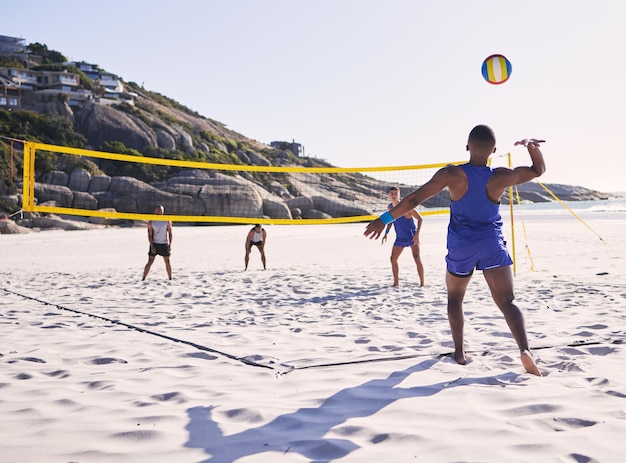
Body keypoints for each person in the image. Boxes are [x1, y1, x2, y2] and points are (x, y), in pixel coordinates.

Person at [364, 125, 545, 376]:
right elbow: (538, 170)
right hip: (491, 242)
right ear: (493, 151)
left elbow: (414, 199)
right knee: (507, 301)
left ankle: (459, 353)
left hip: (462, 245)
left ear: (467, 147)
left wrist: (384, 219)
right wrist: (532, 148)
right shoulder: (500, 175)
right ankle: (525, 350)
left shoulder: (452, 174)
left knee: (455, 298)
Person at [381, 186, 425, 287]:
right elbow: (390, 220)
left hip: (411, 236)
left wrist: (417, 235)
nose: (393, 195)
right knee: (393, 259)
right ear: (389, 195)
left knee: (416, 258)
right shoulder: (390, 207)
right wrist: (386, 233)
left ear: (399, 195)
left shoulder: (406, 206)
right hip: (400, 237)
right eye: (392, 193)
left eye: (396, 193)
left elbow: (420, 219)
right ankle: (396, 283)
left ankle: (422, 284)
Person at [142, 205, 173, 280]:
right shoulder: (151, 222)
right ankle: (143, 278)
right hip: (155, 244)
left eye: (161, 210)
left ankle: (170, 278)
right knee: (150, 261)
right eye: (158, 210)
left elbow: (170, 233)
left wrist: (170, 245)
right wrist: (152, 246)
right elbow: (149, 235)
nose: (159, 211)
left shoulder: (167, 220)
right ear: (155, 211)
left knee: (167, 262)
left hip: (164, 244)